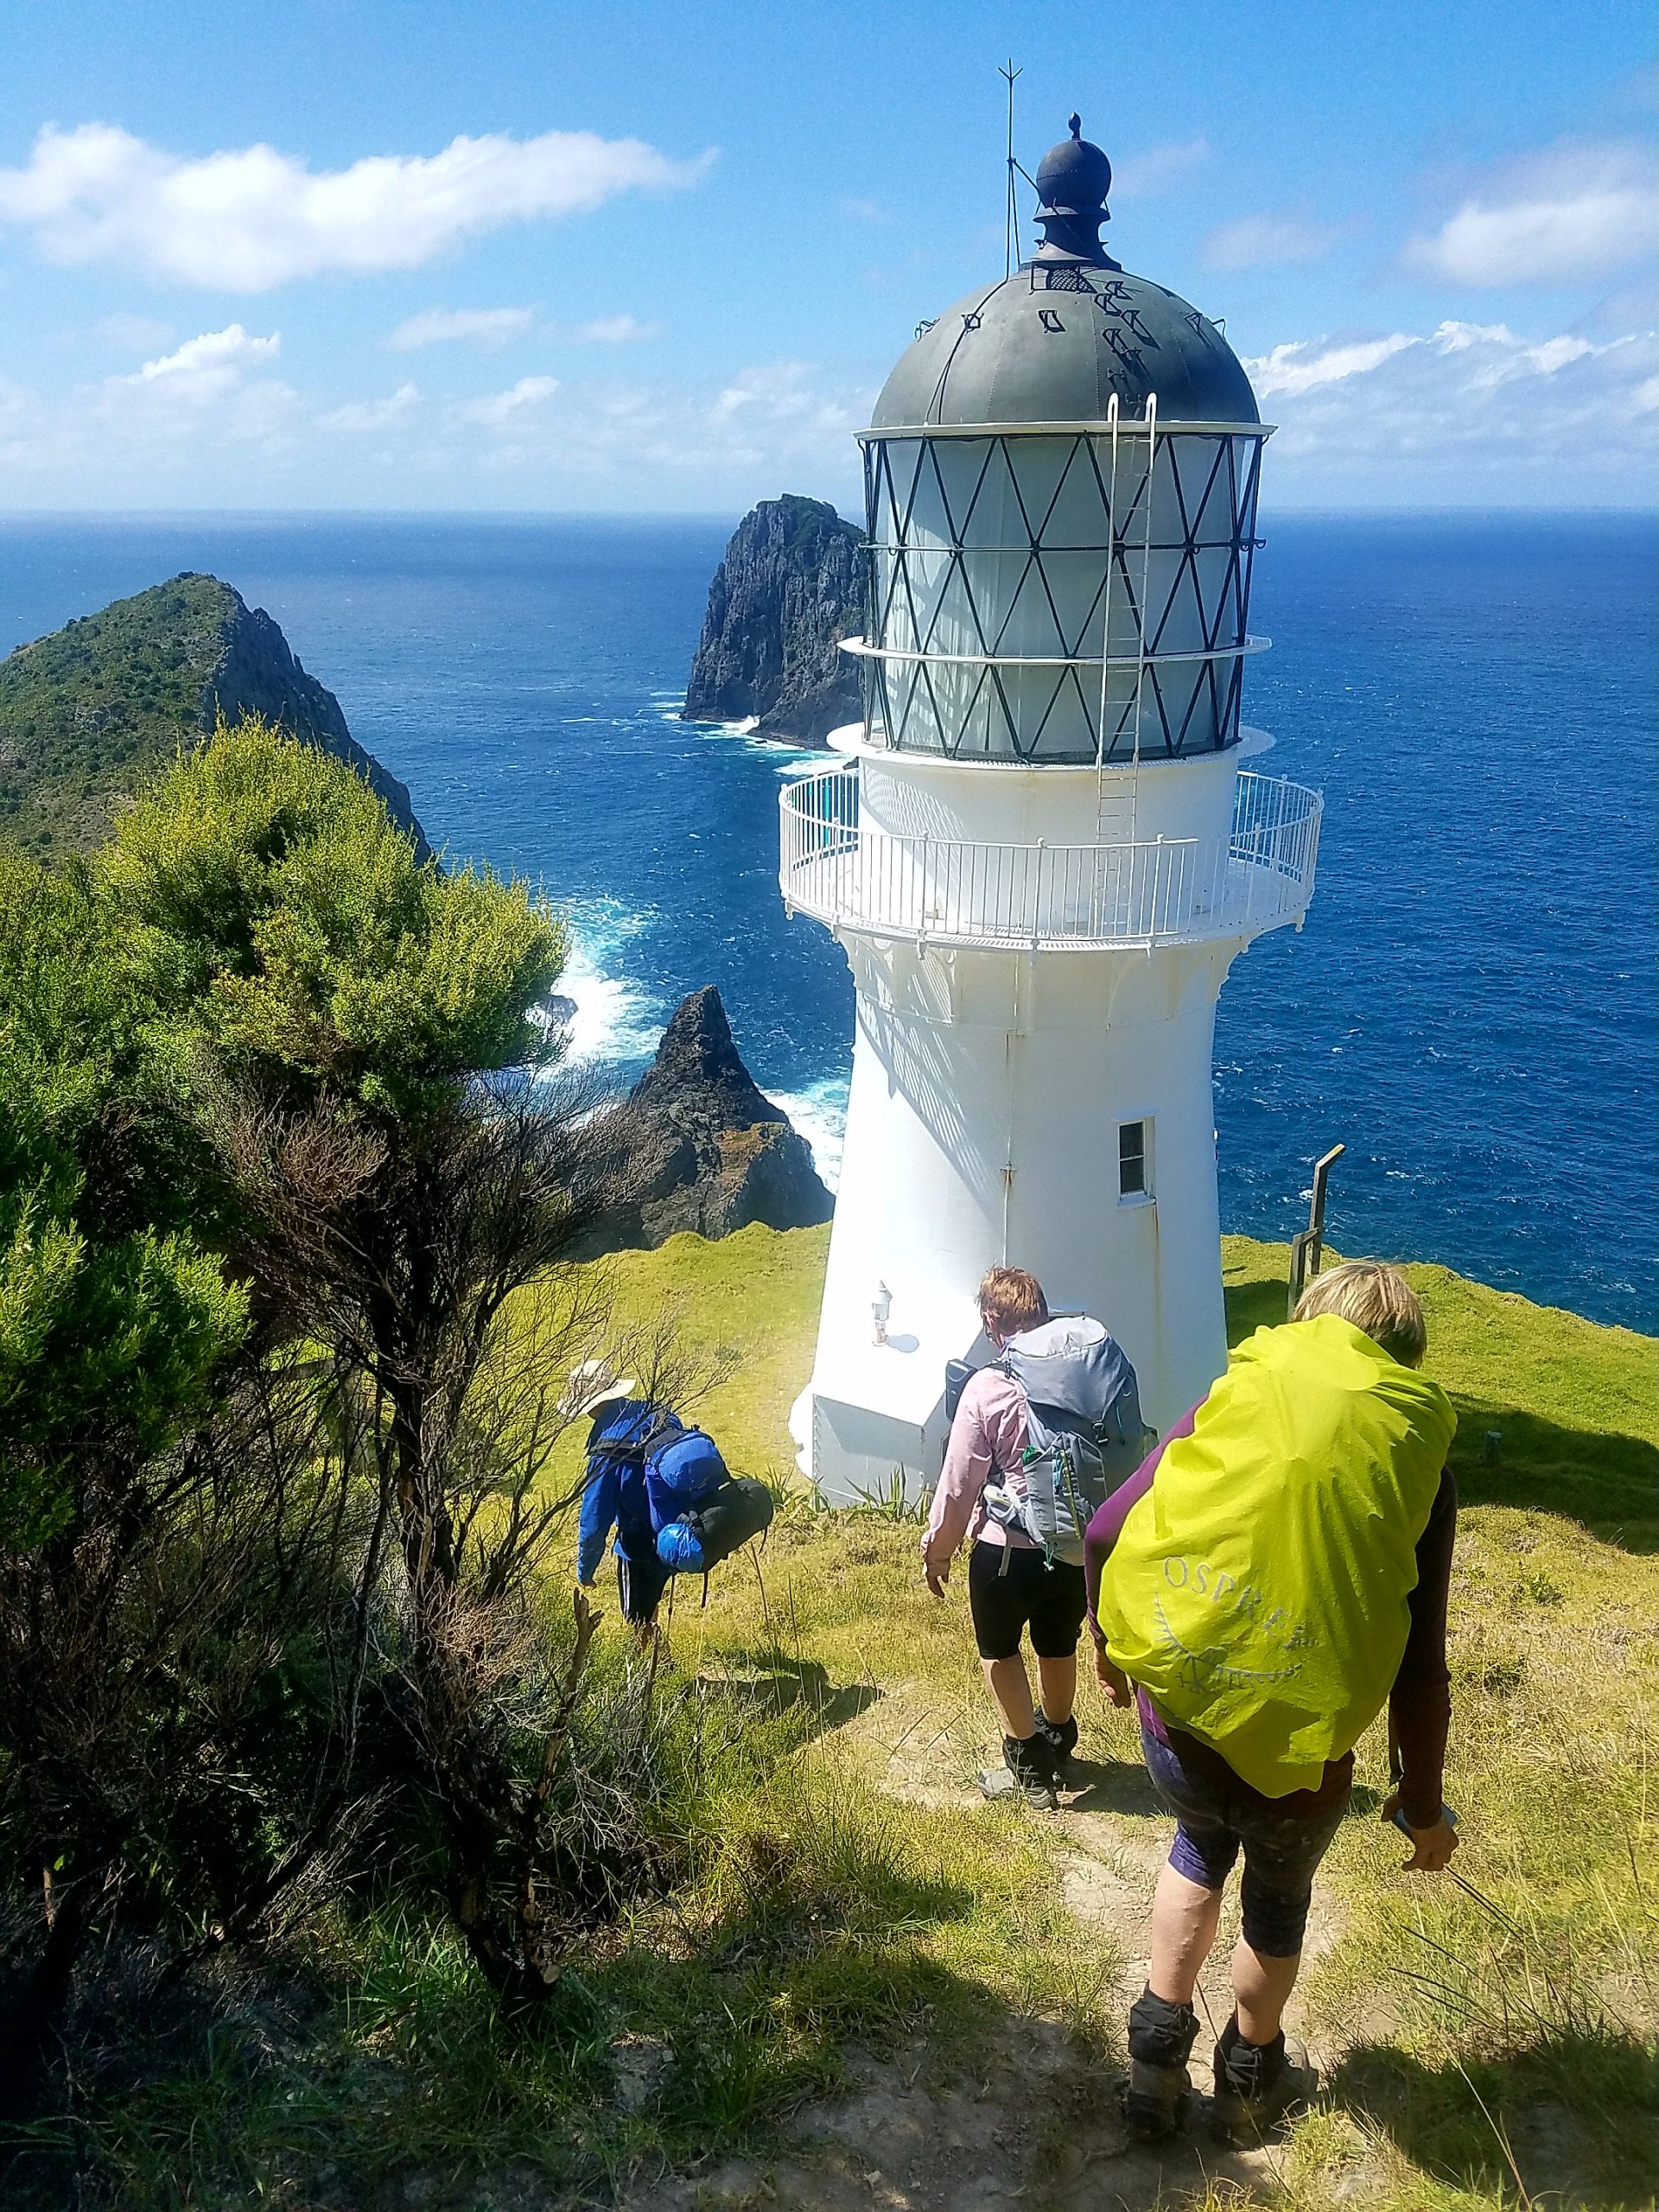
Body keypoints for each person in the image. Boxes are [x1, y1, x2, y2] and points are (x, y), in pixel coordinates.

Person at [1084, 1262, 1462, 2145]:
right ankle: (1247, 2088)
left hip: (1179, 1720)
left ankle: (1151, 2068)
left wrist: (1109, 1646)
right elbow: (1420, 1665)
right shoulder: (1420, 1461)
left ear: (1308, 1326)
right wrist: (1422, 1799)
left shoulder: (1236, 1394)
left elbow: (1105, 1528)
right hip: (1300, 1760)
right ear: (1403, 1361)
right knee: (1277, 1904)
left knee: (1195, 1847)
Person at [921, 1267, 1090, 1811]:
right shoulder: (1083, 1377)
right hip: (1073, 1544)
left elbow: (960, 1483)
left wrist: (939, 1551)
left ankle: (1030, 1768)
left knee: (1000, 1650)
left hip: (1005, 1551)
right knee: (1058, 1641)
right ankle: (1059, 1738)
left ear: (993, 1320)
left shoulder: (988, 1387)